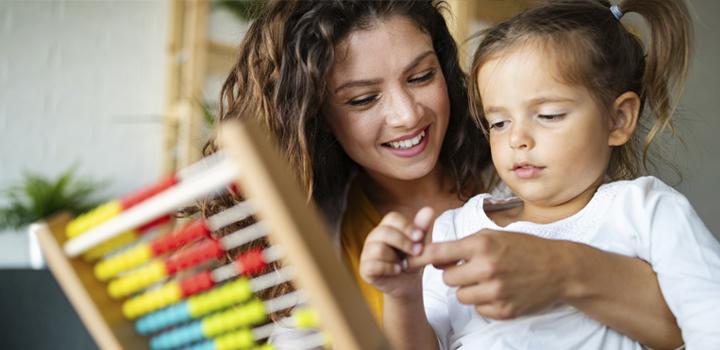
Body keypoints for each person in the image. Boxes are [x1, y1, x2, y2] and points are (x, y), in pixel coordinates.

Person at [209, 0, 682, 348]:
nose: (407, 114)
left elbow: (687, 320)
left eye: (421, 77)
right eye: (362, 99)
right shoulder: (307, 243)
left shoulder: (532, 172)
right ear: (316, 115)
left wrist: (562, 270)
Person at [359, 0, 720, 348]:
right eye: (498, 122)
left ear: (619, 119)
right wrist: (404, 296)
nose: (517, 139)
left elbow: (710, 323)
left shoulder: (646, 211)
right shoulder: (453, 229)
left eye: (548, 115)